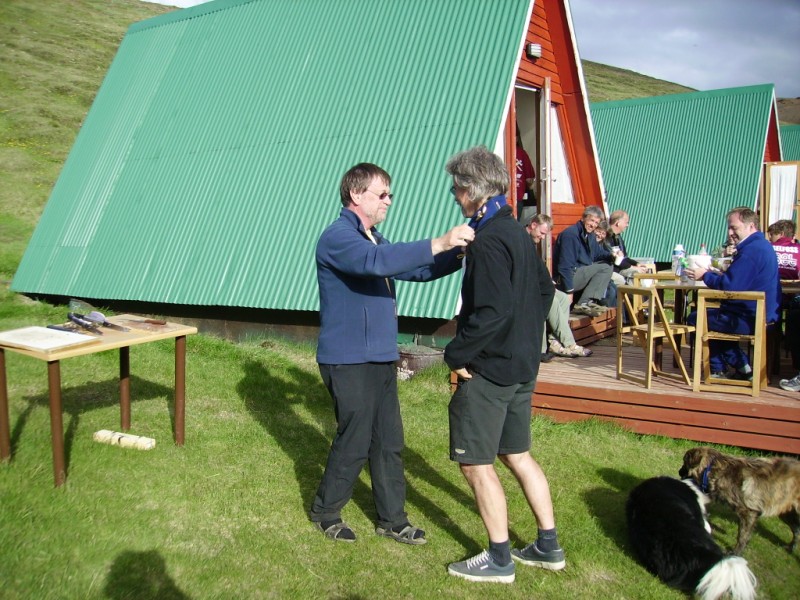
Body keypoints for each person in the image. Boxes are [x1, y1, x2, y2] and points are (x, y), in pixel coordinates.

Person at [312, 162, 475, 543]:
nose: (389, 201)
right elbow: (376, 263)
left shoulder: (374, 239)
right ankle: (326, 512)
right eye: (382, 194)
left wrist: (457, 253)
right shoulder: (338, 238)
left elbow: (416, 270)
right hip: (348, 359)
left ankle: (392, 519)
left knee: (388, 441)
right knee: (355, 439)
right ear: (356, 195)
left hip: (380, 356)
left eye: (390, 194)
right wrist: (439, 241)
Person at [442, 146, 564, 583]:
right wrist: (525, 338)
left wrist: (456, 355)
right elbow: (545, 291)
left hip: (491, 370)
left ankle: (499, 559)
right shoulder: (515, 231)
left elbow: (491, 312)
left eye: (456, 188)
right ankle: (548, 545)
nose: (454, 196)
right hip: (522, 366)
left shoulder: (490, 239)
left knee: (476, 463)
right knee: (517, 454)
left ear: (474, 190)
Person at [685, 207, 780, 380]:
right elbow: (740, 279)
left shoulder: (751, 251)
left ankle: (718, 369)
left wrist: (705, 275)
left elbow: (730, 286)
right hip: (759, 313)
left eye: (734, 228)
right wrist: (720, 274)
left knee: (697, 318)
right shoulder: (761, 246)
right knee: (710, 317)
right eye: (729, 228)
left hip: (750, 317)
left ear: (751, 226)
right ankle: (741, 366)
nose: (730, 233)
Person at [526, 214, 593, 358]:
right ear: (533, 225)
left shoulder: (531, 241)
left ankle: (554, 342)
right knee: (552, 299)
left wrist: (547, 280)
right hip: (525, 287)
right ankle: (570, 344)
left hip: (537, 284)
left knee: (563, 298)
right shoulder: (522, 240)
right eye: (541, 233)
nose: (542, 237)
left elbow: (536, 267)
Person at [552, 205, 615, 316]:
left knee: (608, 266)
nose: (593, 225)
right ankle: (584, 303)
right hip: (563, 280)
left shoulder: (589, 235)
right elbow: (565, 266)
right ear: (583, 218)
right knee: (605, 268)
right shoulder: (571, 235)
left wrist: (612, 256)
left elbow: (598, 253)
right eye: (591, 220)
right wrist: (569, 291)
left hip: (579, 273)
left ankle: (588, 302)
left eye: (596, 222)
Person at [767, 219, 800, 392]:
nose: (770, 238)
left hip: (771, 298)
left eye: (771, 235)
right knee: (794, 312)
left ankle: (772, 360)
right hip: (792, 295)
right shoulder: (798, 249)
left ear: (780, 234)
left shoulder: (768, 250)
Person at [606, 210, 647, 285]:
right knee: (632, 274)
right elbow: (615, 260)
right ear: (618, 222)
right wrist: (632, 267)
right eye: (626, 222)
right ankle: (632, 292)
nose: (627, 225)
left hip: (620, 269)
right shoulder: (606, 237)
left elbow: (624, 258)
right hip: (610, 270)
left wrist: (636, 264)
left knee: (642, 272)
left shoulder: (618, 238)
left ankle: (644, 292)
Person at [515, 127, 536, 222]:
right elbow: (529, 179)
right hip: (518, 195)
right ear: (517, 138)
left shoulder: (502, 151)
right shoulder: (522, 153)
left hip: (500, 197)